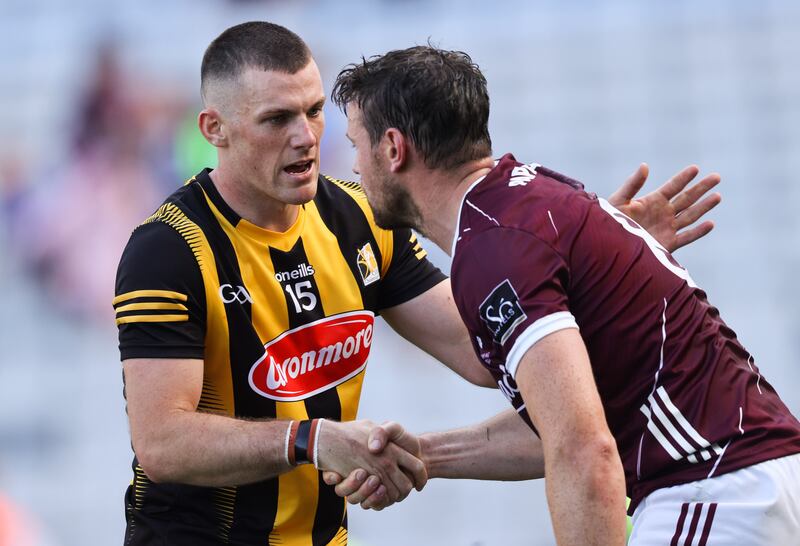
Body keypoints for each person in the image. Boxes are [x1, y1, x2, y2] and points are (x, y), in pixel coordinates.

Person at [114, 22, 721, 545]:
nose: (306, 137)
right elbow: (163, 443)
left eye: (315, 109)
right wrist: (312, 439)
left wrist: (600, 268)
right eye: (277, 118)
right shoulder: (169, 249)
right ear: (214, 128)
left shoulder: (354, 218)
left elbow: (484, 352)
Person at [328, 46, 800, 545]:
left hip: (714, 494)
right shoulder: (529, 200)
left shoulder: (494, 250)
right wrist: (424, 455)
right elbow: (562, 422)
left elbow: (582, 449)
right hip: (751, 483)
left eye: (356, 144)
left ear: (393, 148)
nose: (354, 165)